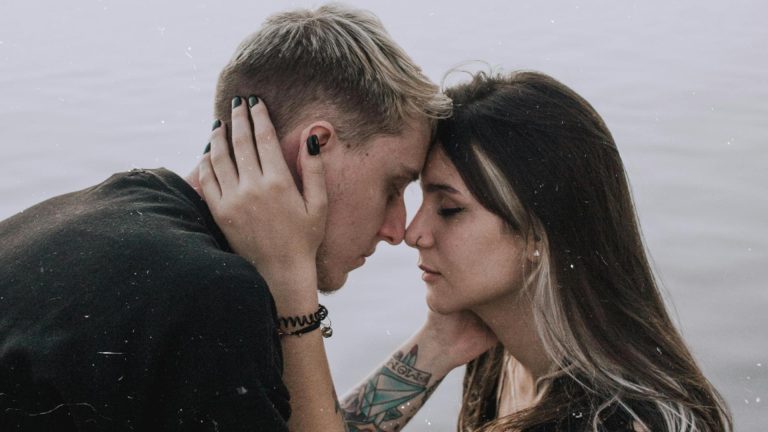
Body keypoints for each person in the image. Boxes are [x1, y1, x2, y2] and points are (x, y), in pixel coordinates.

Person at [0, 5, 450, 431]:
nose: (398, 230)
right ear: (317, 148)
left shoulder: (75, 215)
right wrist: (292, 285)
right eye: (393, 187)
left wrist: (440, 344)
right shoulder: (213, 294)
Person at [202, 71, 734, 431]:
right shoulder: (504, 361)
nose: (413, 232)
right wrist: (435, 348)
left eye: (450, 209)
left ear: (539, 235)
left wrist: (290, 285)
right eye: (419, 197)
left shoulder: (616, 423)